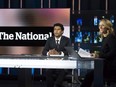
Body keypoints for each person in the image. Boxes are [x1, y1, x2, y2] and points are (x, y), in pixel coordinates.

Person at [80, 19, 116, 87]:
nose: (100, 27)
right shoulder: (105, 38)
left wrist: (99, 55)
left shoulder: (111, 37)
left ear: (108, 27)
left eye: (103, 25)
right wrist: (97, 54)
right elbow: (106, 51)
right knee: (89, 75)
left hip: (110, 67)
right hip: (104, 65)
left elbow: (113, 53)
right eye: (99, 25)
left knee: (89, 76)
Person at [42, 23, 71, 87]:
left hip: (63, 65)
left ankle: (56, 85)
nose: (56, 31)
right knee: (48, 72)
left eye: (58, 29)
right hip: (52, 64)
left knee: (62, 72)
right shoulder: (49, 40)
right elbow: (44, 51)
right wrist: (48, 53)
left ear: (62, 31)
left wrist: (60, 53)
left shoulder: (67, 40)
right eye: (54, 29)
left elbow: (69, 52)